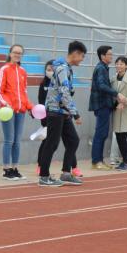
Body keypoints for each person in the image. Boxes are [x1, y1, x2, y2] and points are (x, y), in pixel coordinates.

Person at [38, 41, 86, 186]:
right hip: (55, 111)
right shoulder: (62, 69)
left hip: (63, 111)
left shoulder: (66, 68)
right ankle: (44, 176)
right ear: (75, 54)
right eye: (82, 56)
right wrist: (75, 114)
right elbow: (64, 93)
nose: (82, 60)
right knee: (51, 143)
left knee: (73, 140)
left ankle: (66, 173)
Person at [0, 44, 35, 180]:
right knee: (9, 140)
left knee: (17, 141)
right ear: (10, 53)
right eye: (15, 52)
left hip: (20, 110)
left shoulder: (23, 71)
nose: (17, 55)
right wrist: (7, 104)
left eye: (20, 53)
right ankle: (6, 170)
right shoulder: (4, 69)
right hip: (8, 111)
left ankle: (15, 168)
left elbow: (24, 92)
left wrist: (30, 107)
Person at [88, 45, 117, 170]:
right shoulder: (101, 68)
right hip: (102, 104)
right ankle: (96, 161)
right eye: (109, 54)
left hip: (104, 104)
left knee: (103, 133)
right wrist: (116, 93)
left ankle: (99, 160)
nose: (111, 56)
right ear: (102, 56)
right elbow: (101, 85)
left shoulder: (103, 68)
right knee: (100, 133)